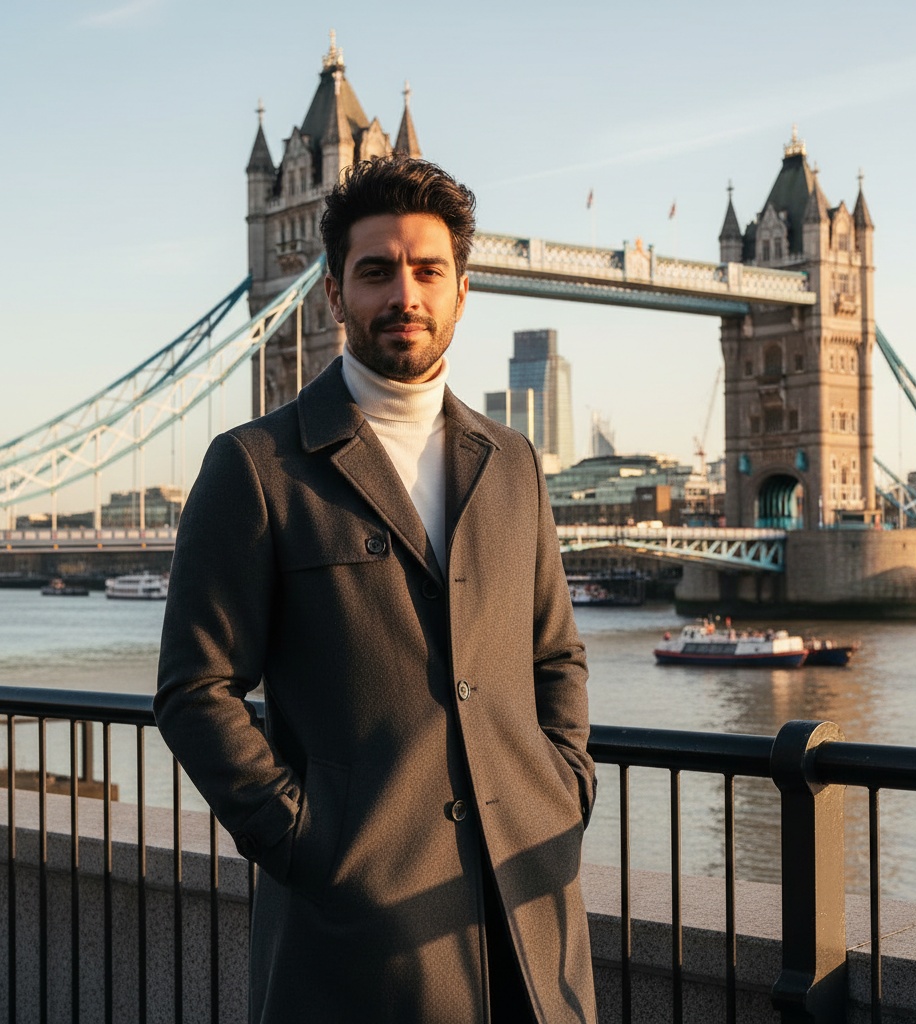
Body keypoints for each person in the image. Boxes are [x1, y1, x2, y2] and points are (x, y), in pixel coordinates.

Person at [155, 156, 597, 1024]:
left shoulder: (513, 462)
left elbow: (556, 656)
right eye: (376, 271)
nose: (405, 295)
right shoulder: (257, 466)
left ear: (462, 291)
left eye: (429, 271)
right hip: (353, 936)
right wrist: (307, 842)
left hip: (531, 911)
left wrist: (564, 787)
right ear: (333, 293)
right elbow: (194, 690)